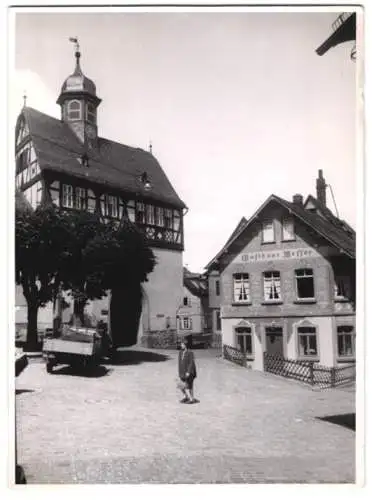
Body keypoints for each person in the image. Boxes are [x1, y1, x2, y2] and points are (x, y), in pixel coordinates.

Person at [178, 337, 197, 404]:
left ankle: (192, 399)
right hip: (182, 372)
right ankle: (185, 396)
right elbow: (179, 363)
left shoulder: (190, 352)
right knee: (180, 385)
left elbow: (191, 363)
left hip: (190, 372)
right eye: (181, 344)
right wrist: (180, 373)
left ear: (185, 345)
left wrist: (188, 372)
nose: (181, 345)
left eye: (182, 344)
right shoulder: (180, 352)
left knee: (189, 386)